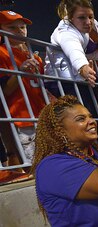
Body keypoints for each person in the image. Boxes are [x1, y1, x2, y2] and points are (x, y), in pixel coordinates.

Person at [31, 95, 98, 226]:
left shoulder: (92, 153)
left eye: (90, 116)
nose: (92, 121)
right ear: (59, 131)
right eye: (81, 119)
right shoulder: (52, 167)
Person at [44, 0, 98, 148]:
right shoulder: (65, 31)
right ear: (70, 18)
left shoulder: (88, 24)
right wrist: (83, 67)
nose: (88, 22)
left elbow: (96, 47)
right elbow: (73, 49)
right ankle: (93, 151)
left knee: (92, 115)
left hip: (77, 79)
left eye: (90, 17)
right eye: (82, 18)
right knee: (81, 117)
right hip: (61, 81)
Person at [0, 10, 46, 165]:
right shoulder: (2, 52)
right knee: (36, 163)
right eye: (12, 27)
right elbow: (5, 90)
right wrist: (20, 71)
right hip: (22, 117)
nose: (19, 30)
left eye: (22, 27)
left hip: (42, 114)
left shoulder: (33, 55)